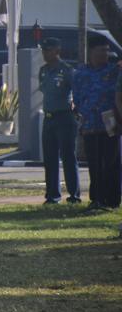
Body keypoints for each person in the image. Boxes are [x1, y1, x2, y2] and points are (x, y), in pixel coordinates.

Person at [72, 38, 121, 210]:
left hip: (110, 119)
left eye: (107, 50)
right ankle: (97, 199)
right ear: (91, 52)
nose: (105, 54)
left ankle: (113, 199)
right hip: (90, 121)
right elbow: (77, 97)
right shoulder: (80, 73)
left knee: (111, 160)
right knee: (94, 162)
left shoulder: (114, 70)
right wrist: (82, 113)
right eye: (101, 50)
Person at [37, 38, 81, 204]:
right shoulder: (43, 70)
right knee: (50, 159)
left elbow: (76, 91)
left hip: (64, 117)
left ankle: (74, 195)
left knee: (68, 157)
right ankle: (52, 196)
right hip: (49, 119)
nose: (45, 54)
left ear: (57, 51)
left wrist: (76, 111)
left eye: (48, 50)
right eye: (43, 51)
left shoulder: (67, 70)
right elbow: (44, 90)